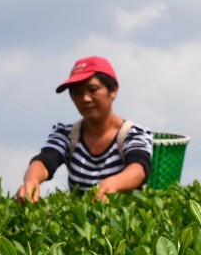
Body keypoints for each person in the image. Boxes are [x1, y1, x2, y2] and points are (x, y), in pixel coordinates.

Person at [17, 56, 152, 202]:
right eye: (77, 93)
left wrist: (113, 184)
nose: (85, 99)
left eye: (93, 90)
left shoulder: (133, 133)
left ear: (113, 91)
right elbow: (45, 160)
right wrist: (32, 181)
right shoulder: (66, 134)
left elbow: (138, 169)